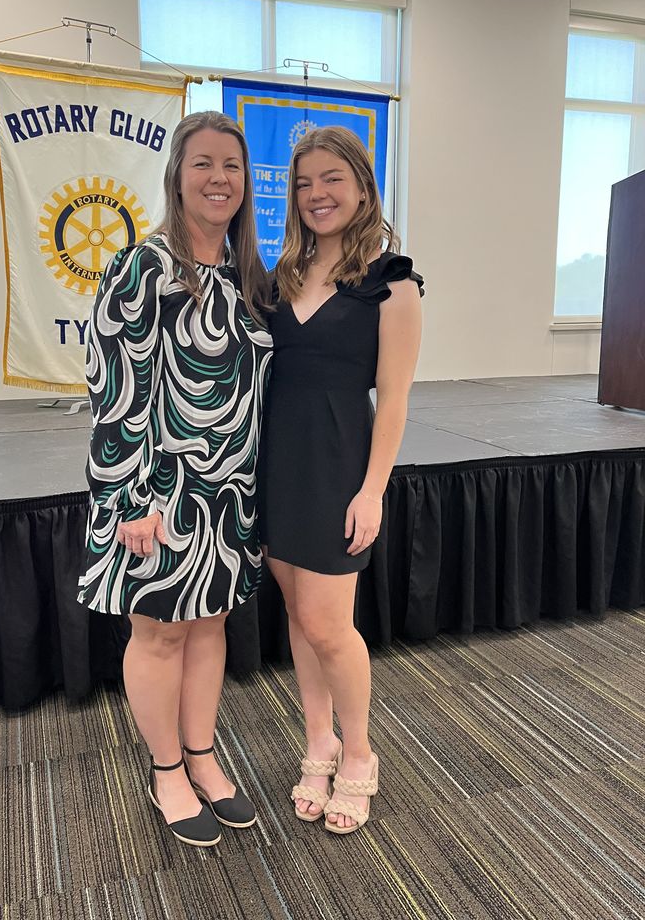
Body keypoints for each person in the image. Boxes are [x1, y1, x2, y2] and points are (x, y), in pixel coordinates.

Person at [78, 110, 273, 848]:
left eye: (232, 165)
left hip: (229, 497)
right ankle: (165, 770)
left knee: (210, 626)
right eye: (203, 163)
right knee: (158, 634)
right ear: (177, 176)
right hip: (156, 494)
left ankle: (202, 753)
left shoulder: (250, 276)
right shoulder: (144, 265)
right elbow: (113, 387)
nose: (219, 177)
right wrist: (128, 498)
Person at [259, 125, 423, 835]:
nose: (316, 194)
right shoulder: (279, 278)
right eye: (303, 183)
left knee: (331, 624)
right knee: (300, 618)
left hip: (337, 472)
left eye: (331, 179)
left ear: (361, 186)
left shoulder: (393, 283)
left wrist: (372, 489)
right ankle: (316, 740)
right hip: (274, 470)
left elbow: (395, 398)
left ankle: (358, 753)